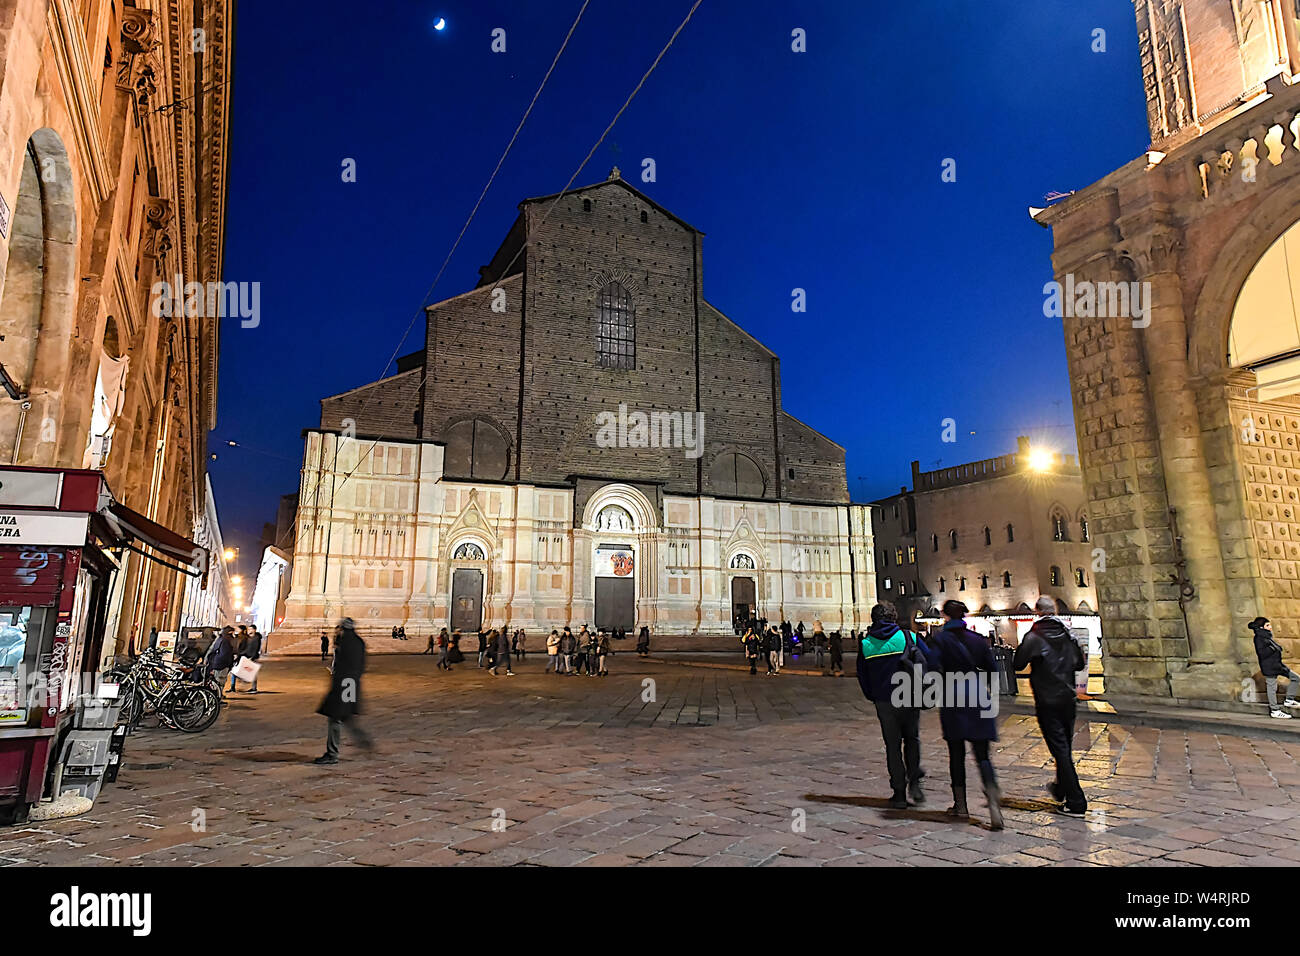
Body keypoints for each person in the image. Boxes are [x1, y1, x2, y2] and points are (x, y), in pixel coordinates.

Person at [924, 600, 1003, 830]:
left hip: (953, 697)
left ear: (945, 616)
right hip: (978, 695)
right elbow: (992, 671)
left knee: (956, 754)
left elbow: (932, 667)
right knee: (983, 755)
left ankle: (961, 805)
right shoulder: (977, 640)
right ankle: (992, 796)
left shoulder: (941, 640)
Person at [1014, 596, 1087, 815]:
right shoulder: (1068, 635)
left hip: (1047, 699)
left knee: (1060, 749)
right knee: (1064, 746)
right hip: (1068, 697)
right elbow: (1079, 663)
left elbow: (1018, 663)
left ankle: (1076, 801)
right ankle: (1061, 788)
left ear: (1037, 611)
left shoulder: (1034, 636)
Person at [857, 601, 928, 808]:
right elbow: (928, 660)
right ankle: (914, 781)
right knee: (912, 740)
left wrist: (874, 695)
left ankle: (898, 792)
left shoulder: (866, 644)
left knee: (892, 746)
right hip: (908, 696)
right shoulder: (909, 637)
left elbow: (863, 676)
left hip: (884, 702)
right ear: (893, 617)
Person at [314, 619, 372, 765]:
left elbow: (341, 665)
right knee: (345, 715)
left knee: (335, 716)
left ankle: (332, 754)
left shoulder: (344, 642)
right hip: (352, 683)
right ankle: (362, 739)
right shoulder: (359, 642)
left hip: (343, 684)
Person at [1250, 616, 1300, 719]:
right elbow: (1262, 653)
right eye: (1267, 625)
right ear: (1261, 627)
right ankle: (1274, 710)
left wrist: (1276, 648)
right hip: (1269, 667)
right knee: (1272, 687)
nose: (1270, 627)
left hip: (1277, 665)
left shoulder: (1267, 637)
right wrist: (1274, 649)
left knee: (1296, 678)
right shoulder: (1259, 638)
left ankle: (1289, 700)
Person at [205, 626, 235, 698]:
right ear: (230, 632)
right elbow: (225, 654)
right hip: (222, 664)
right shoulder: (227, 640)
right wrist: (229, 664)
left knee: (216, 681)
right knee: (220, 681)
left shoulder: (219, 639)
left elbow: (211, 650)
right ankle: (217, 697)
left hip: (216, 662)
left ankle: (216, 696)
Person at [231, 626, 262, 693]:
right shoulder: (248, 638)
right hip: (247, 656)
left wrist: (252, 657)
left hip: (252, 657)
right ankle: (247, 685)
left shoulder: (256, 638)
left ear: (254, 630)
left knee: (253, 672)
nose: (249, 630)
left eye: (251, 629)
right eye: (248, 629)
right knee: (245, 670)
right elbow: (246, 648)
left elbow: (256, 649)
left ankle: (254, 688)